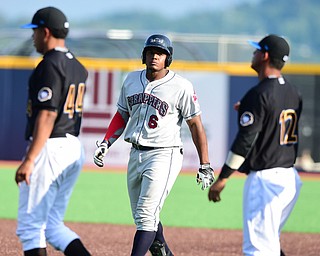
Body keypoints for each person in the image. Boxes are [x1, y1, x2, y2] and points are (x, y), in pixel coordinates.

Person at [93, 34, 215, 256]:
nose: (155, 56)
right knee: (143, 217)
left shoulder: (181, 86)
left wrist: (205, 163)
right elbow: (122, 114)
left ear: (168, 58)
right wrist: (106, 142)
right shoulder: (131, 80)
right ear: (144, 55)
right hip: (135, 153)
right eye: (150, 52)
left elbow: (195, 125)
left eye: (160, 53)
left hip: (164, 154)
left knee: (146, 215)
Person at [208, 34, 303, 256]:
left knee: (258, 250)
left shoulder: (258, 94)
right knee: (269, 244)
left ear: (266, 55)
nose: (253, 54)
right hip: (290, 179)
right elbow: (273, 116)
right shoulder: (293, 91)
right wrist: (251, 107)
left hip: (265, 181)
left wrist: (222, 178)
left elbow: (245, 141)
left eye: (257, 50)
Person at [15, 7, 91, 256]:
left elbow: (47, 114)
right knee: (53, 226)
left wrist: (29, 159)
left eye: (35, 31)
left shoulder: (49, 64)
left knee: (30, 227)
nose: (33, 37)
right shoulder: (78, 66)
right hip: (72, 146)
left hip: (51, 146)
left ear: (46, 32)